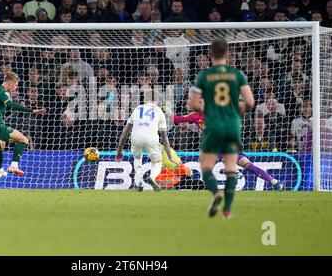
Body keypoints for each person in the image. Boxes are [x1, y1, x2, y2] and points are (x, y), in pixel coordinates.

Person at [190, 38, 255, 218]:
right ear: (227, 54)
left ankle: (216, 193)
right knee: (231, 167)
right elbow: (250, 102)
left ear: (210, 54)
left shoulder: (203, 76)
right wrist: (238, 108)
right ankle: (227, 210)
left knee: (206, 166)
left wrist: (208, 107)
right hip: (233, 125)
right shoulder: (237, 75)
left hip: (213, 125)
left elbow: (194, 105)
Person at [171, 111, 284, 190]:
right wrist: (167, 113)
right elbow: (178, 119)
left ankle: (275, 182)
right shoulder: (196, 116)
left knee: (248, 165)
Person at [115, 89, 178, 192]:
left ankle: (139, 182)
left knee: (137, 158)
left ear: (144, 99)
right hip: (151, 138)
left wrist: (119, 151)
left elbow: (124, 132)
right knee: (157, 161)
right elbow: (164, 138)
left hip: (135, 138)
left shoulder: (137, 109)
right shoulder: (159, 111)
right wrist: (170, 156)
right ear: (157, 100)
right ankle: (152, 178)